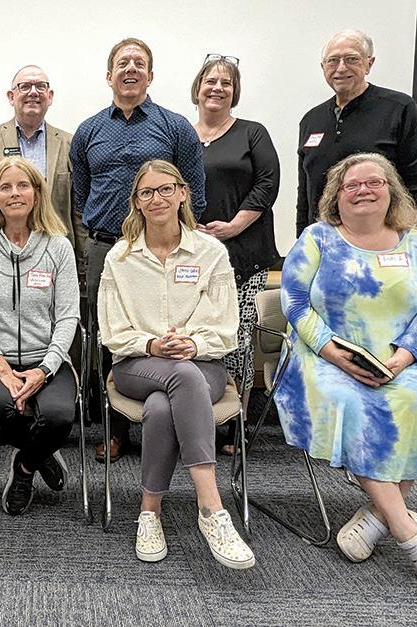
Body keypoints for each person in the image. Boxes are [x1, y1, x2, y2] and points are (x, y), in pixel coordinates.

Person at [274, 153, 417, 588]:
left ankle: (379, 516)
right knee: (350, 402)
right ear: (336, 196)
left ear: (391, 190)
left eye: (374, 182)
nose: (363, 190)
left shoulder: (416, 243)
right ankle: (409, 531)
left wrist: (405, 355)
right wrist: (333, 353)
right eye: (352, 185)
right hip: (322, 356)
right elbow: (295, 303)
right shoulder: (317, 239)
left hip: (398, 358)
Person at [98, 159, 254, 569]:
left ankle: (149, 513)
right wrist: (151, 344)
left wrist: (192, 343)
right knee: (180, 378)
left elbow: (226, 327)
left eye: (166, 189)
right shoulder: (120, 258)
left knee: (162, 405)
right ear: (136, 201)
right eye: (147, 192)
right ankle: (212, 508)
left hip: (203, 364)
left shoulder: (211, 252)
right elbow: (112, 331)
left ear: (183, 193)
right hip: (136, 365)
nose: (157, 198)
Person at [71, 37, 207, 463]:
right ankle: (114, 431)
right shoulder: (88, 131)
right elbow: (81, 196)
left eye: (139, 63)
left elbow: (194, 193)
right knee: (106, 336)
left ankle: (165, 420)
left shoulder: (175, 127)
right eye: (122, 63)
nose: (130, 69)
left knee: (165, 326)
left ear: (150, 75)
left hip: (163, 251)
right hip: (107, 247)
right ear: (109, 75)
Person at [0, 156, 80, 515]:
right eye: (5, 187)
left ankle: (25, 465)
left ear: (37, 194)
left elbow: (68, 316)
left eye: (23, 185)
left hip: (47, 358)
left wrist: (44, 369)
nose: (15, 193)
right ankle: (43, 453)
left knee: (60, 418)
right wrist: (2, 369)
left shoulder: (58, 246)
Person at [190, 54, 280, 452]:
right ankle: (201, 415)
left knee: (239, 338)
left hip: (244, 254)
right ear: (197, 89)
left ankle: (235, 422)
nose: (217, 88)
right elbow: (169, 185)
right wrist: (188, 225)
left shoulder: (252, 133)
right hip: (195, 257)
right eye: (210, 81)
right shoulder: (183, 135)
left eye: (226, 83)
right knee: (200, 337)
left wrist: (235, 225)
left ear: (235, 92)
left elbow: (268, 183)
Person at [297, 29, 417, 236]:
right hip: (323, 240)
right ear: (323, 67)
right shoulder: (311, 120)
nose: (341, 68)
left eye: (351, 59)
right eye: (333, 61)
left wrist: (401, 234)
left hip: (380, 239)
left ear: (369, 63)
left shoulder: (399, 108)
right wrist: (302, 239)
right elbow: (305, 191)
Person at [0, 65, 85, 275]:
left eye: (40, 86)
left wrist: (82, 267)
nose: (33, 92)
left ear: (50, 96)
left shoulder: (69, 144)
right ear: (11, 96)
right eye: (25, 86)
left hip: (54, 256)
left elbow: (78, 212)